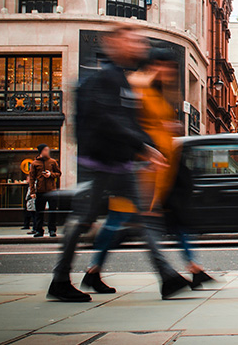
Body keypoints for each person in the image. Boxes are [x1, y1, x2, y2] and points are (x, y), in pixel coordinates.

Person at [47, 24, 190, 302]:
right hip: (100, 163)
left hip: (121, 164)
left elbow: (130, 122)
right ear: (114, 43)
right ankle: (61, 278)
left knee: (144, 219)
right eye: (133, 41)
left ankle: (168, 277)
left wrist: (147, 148)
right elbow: (108, 120)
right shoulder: (106, 78)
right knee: (84, 220)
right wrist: (144, 148)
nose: (140, 46)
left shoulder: (122, 79)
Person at [83, 48, 215, 292]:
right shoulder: (138, 86)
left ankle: (95, 271)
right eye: (166, 66)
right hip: (141, 169)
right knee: (125, 222)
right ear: (155, 64)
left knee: (131, 221)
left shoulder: (157, 91)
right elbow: (128, 124)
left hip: (161, 169)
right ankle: (170, 276)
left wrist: (168, 128)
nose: (170, 72)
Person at [29, 144, 61, 238]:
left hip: (52, 190)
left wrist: (50, 174)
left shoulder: (52, 162)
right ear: (41, 151)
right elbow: (31, 178)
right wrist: (32, 192)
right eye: (46, 150)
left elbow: (59, 173)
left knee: (52, 211)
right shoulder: (35, 163)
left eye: (48, 150)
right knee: (39, 212)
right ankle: (39, 230)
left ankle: (52, 230)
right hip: (40, 190)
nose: (47, 152)